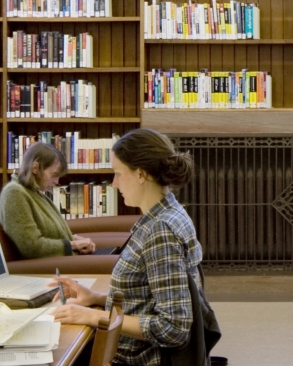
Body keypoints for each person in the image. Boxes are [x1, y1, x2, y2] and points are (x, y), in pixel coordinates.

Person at [49, 129, 218, 365]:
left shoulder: (161, 230)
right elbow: (150, 296)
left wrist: (93, 316)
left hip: (139, 359)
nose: (114, 183)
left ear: (140, 174)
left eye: (118, 173)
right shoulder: (167, 213)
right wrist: (96, 298)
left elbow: (173, 328)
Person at [0, 141, 97, 259]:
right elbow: (31, 247)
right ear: (35, 168)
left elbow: (50, 233)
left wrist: (73, 238)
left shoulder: (34, 193)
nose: (57, 182)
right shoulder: (14, 193)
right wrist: (72, 245)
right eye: (54, 175)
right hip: (54, 266)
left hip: (66, 260)